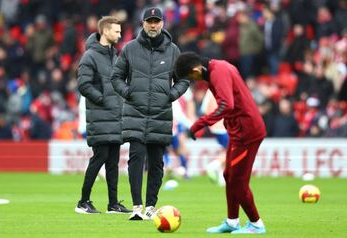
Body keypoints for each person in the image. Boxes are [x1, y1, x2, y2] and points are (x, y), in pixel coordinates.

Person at [174, 52, 267, 234]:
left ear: (196, 69)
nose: (193, 81)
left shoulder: (218, 71)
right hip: (238, 130)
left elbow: (227, 105)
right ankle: (232, 222)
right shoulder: (219, 67)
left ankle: (256, 224)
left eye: (191, 77)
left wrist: (200, 124)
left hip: (247, 132)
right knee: (228, 175)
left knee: (238, 182)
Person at [111, 7, 189, 220]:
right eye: (149, 21)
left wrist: (171, 95)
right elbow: (116, 77)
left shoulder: (173, 50)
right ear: (142, 23)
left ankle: (151, 207)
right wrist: (129, 93)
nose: (153, 25)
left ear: (162, 23)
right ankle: (137, 207)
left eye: (156, 21)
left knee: (157, 163)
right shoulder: (130, 49)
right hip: (135, 113)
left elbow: (184, 78)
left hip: (160, 114)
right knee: (135, 159)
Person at [75, 16, 131, 214]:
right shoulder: (90, 56)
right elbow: (83, 84)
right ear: (105, 31)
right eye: (116, 31)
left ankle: (113, 204)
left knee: (113, 162)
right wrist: (103, 99)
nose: (120, 34)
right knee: (99, 157)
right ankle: (83, 202)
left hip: (115, 116)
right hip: (100, 116)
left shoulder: (115, 56)